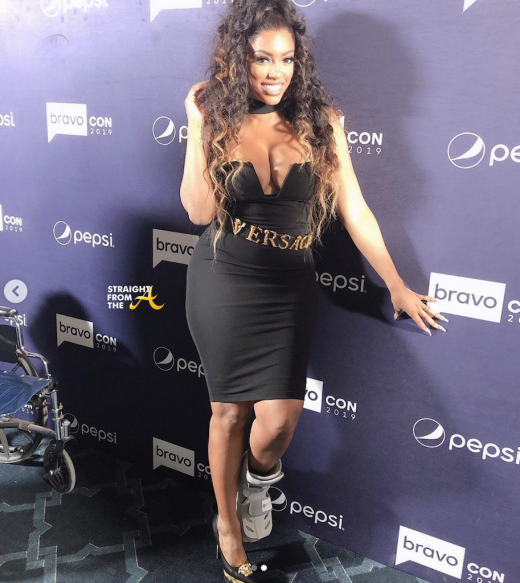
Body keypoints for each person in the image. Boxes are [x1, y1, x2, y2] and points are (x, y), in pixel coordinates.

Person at [181, 1, 448, 581]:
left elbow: (355, 208)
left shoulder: (320, 123)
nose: (274, 72)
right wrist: (196, 126)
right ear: (237, 59)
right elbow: (200, 211)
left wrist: (396, 283)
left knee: (279, 422)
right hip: (223, 279)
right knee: (228, 413)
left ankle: (255, 482)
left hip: (288, 288)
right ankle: (229, 529)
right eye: (262, 59)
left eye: (286, 60)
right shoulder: (216, 119)